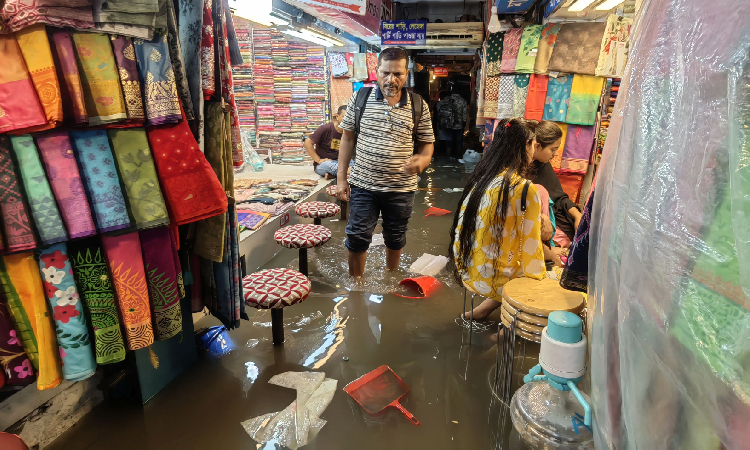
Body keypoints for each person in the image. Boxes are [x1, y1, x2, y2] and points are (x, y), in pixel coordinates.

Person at [336, 47, 435, 277]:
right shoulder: (360, 98)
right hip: (363, 185)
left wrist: (423, 160)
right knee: (357, 236)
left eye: (398, 74)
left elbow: (427, 144)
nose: (391, 79)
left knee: (395, 235)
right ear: (377, 71)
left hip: (401, 188)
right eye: (385, 73)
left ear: (406, 74)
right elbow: (347, 138)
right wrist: (341, 179)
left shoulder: (418, 105)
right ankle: (356, 287)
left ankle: (391, 278)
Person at [449, 118, 546, 321]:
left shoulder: (484, 177)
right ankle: (502, 336)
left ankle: (483, 310)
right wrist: (541, 278)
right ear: (526, 146)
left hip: (467, 270)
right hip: (492, 280)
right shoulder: (525, 188)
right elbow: (531, 247)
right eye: (534, 145)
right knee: (550, 275)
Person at [527, 120, 582, 243]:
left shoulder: (542, 166)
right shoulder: (517, 172)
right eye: (553, 149)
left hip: (552, 224)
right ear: (537, 146)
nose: (556, 154)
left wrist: (577, 215)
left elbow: (558, 197)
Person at [306, 105, 347, 179]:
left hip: (341, 162)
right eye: (344, 117)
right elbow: (307, 143)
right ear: (337, 116)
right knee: (329, 166)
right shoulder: (325, 129)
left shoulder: (350, 132)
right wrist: (318, 160)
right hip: (325, 164)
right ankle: (349, 172)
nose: (347, 120)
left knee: (355, 164)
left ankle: (335, 175)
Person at [436, 89, 468, 158]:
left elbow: (441, 112)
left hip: (448, 124)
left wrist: (440, 122)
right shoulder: (463, 101)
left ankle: (448, 156)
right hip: (459, 124)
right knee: (459, 141)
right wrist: (464, 124)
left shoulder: (446, 99)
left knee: (449, 141)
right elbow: (465, 115)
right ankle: (459, 156)